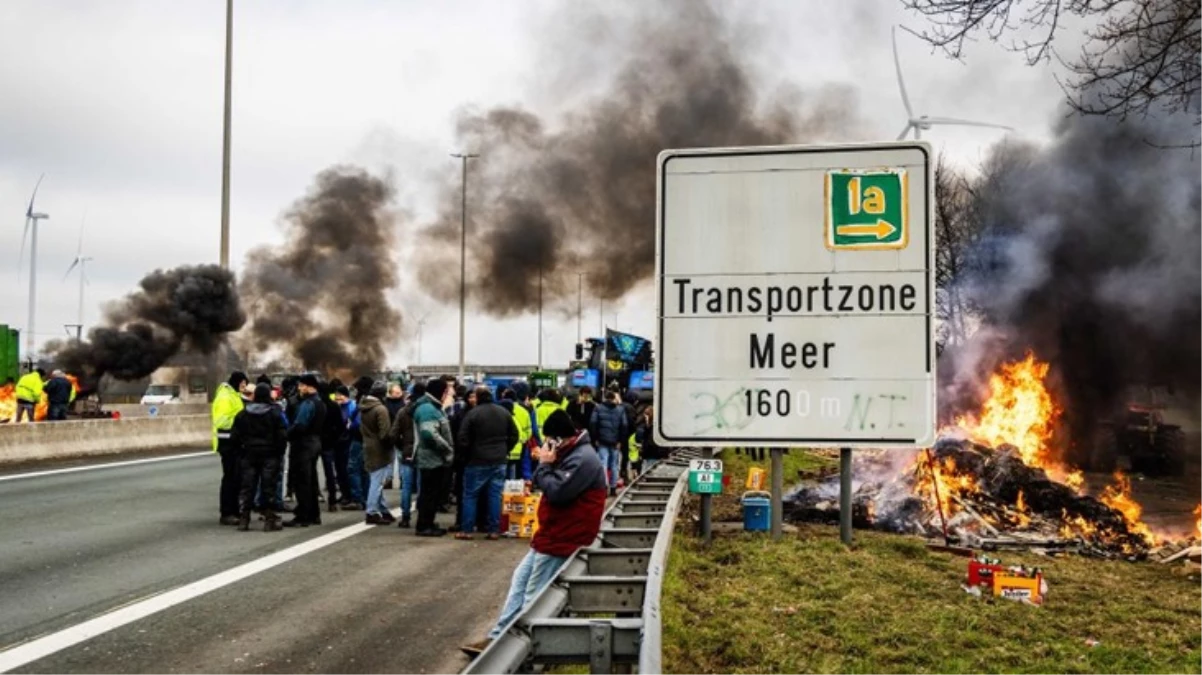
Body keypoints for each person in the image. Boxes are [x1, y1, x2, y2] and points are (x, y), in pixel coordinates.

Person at [463, 409, 607, 655]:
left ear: (558, 439)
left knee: (534, 593)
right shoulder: (573, 454)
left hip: (564, 536)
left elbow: (558, 492)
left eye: (549, 440)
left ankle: (524, 649)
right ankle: (499, 638)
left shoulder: (582, 459)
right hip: (552, 533)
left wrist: (543, 466)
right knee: (521, 579)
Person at [455, 387, 520, 541]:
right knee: (494, 496)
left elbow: (462, 437)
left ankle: (467, 530)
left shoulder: (473, 414)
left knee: (470, 495)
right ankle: (494, 530)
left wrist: (468, 453)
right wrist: (505, 449)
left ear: (477, 398)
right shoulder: (503, 412)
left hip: (477, 460)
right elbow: (514, 435)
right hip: (499, 460)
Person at [231, 383, 288, 532]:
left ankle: (244, 518)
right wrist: (279, 452)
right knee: (268, 487)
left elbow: (235, 436)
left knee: (248, 487)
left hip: (249, 454)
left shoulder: (243, 414)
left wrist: (242, 451)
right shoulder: (275, 413)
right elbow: (282, 435)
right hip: (270, 455)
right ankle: (269, 519)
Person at [413, 378, 454, 537]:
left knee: (431, 493)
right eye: (446, 391)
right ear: (441, 392)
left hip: (433, 458)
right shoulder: (428, 409)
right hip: (431, 458)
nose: (448, 394)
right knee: (429, 494)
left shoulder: (432, 407)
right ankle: (424, 526)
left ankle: (428, 522)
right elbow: (429, 433)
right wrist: (447, 449)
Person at [284, 374, 326, 527]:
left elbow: (300, 425)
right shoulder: (320, 402)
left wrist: (286, 434)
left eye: (301, 386)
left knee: (301, 481)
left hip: (303, 444)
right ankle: (314, 514)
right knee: (311, 480)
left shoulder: (308, 403)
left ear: (309, 386)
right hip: (315, 442)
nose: (299, 389)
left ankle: (303, 515)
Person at [212, 371, 250, 526]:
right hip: (227, 444)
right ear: (236, 382)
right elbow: (221, 421)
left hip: (235, 444)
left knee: (237, 479)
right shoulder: (225, 397)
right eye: (242, 384)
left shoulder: (233, 395)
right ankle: (227, 513)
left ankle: (234, 510)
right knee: (230, 479)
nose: (244, 387)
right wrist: (240, 421)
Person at [360, 381, 396, 525]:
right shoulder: (381, 409)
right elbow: (385, 434)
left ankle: (383, 509)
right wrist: (394, 440)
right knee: (378, 482)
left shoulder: (364, 407)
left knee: (376, 480)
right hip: (380, 450)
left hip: (368, 445)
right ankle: (372, 512)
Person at [389, 381, 424, 528]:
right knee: (423, 486)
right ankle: (422, 517)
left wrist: (402, 447)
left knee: (407, 487)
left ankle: (405, 517)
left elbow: (393, 434)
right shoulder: (426, 410)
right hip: (423, 453)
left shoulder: (403, 411)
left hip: (407, 452)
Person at [589, 391, 628, 496]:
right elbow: (624, 426)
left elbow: (593, 423)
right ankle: (613, 488)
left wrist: (595, 439)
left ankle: (604, 487)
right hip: (615, 442)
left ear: (605, 398)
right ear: (613, 398)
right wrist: (621, 441)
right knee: (614, 465)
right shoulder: (620, 410)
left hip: (602, 441)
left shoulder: (598, 408)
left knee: (603, 464)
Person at [334, 386, 366, 510]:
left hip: (350, 440)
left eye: (341, 395)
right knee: (341, 469)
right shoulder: (339, 406)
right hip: (341, 441)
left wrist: (348, 426)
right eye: (336, 395)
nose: (338, 398)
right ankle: (346, 494)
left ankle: (354, 496)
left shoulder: (351, 406)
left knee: (351, 469)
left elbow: (354, 423)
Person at [319, 381, 345, 511]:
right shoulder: (334, 406)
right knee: (330, 472)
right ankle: (332, 500)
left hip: (317, 440)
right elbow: (340, 425)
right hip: (330, 442)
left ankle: (315, 497)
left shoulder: (316, 405)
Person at [500, 389, 534, 480]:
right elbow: (529, 430)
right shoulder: (524, 411)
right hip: (520, 447)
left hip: (503, 449)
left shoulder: (501, 410)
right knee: (516, 472)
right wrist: (523, 440)